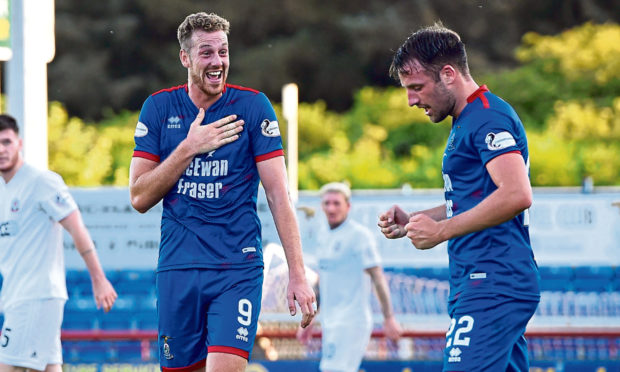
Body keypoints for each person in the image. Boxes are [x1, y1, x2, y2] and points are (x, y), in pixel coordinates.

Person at [129, 12, 316, 372]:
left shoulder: (252, 106)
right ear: (185, 58)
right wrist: (188, 148)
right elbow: (139, 197)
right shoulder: (158, 108)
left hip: (236, 266)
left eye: (223, 52)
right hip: (178, 268)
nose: (218, 62)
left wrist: (297, 273)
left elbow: (279, 195)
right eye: (206, 53)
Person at [378, 24, 540, 371]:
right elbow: (476, 199)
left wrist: (442, 231)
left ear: (448, 74)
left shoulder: (487, 116)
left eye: (417, 87)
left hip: (492, 282)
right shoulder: (467, 119)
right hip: (481, 279)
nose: (411, 100)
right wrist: (421, 219)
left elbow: (516, 194)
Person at [0, 114, 118, 372]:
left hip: (35, 297)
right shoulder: (3, 191)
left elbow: (77, 229)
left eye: (6, 142)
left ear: (19, 143)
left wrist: (99, 279)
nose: (1, 149)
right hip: (19, 297)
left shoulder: (41, 181)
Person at [298, 182, 401, 372]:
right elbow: (323, 281)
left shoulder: (360, 236)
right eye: (327, 203)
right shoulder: (323, 235)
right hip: (330, 321)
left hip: (352, 322)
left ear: (348, 206)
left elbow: (377, 277)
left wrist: (389, 318)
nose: (331, 208)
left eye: (336, 203)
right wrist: (310, 320)